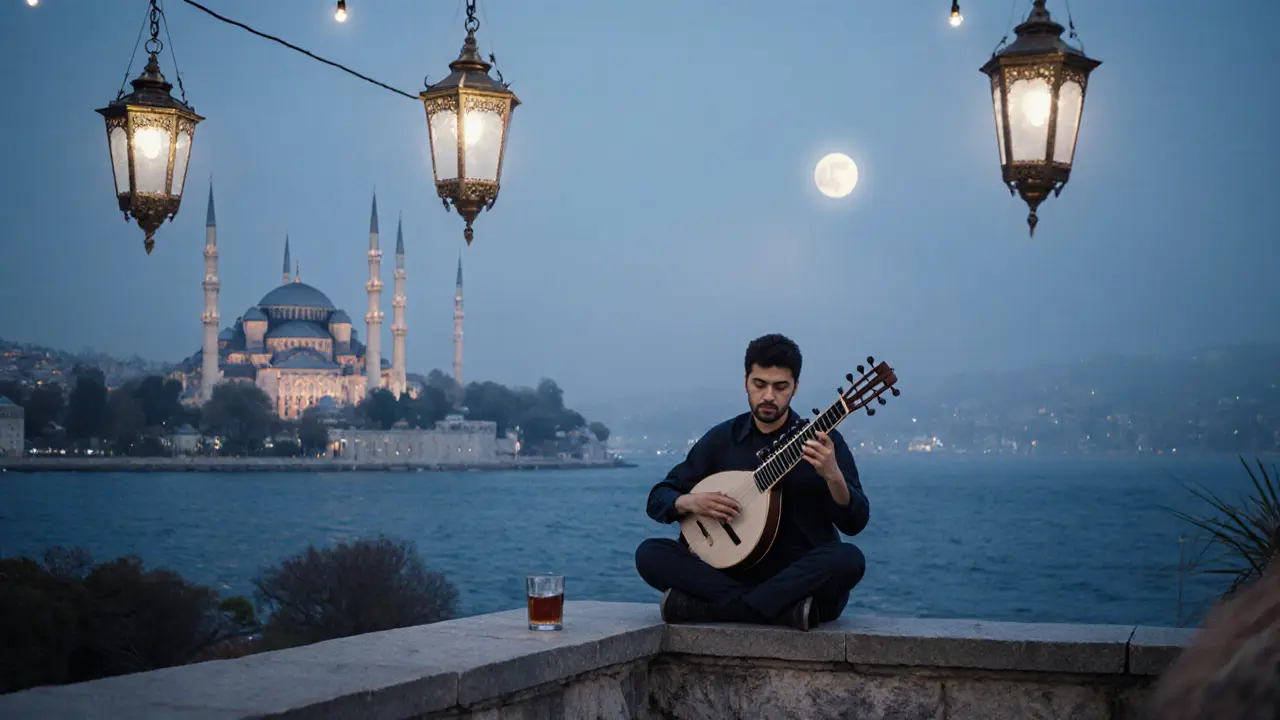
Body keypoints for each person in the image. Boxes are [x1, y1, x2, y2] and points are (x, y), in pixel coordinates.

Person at [634, 333, 869, 631]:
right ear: (746, 381)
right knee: (649, 553)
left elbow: (856, 522)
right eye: (760, 384)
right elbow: (659, 498)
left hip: (796, 577)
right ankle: (779, 612)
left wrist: (833, 476)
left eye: (780, 386)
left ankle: (717, 608)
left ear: (795, 387)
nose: (769, 396)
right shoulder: (722, 439)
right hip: (728, 574)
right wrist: (689, 501)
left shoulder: (824, 442)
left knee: (849, 559)